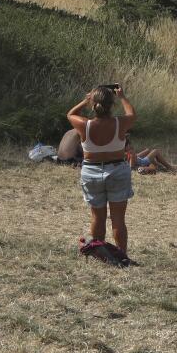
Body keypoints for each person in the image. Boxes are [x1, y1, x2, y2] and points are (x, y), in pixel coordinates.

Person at [66, 85, 138, 257]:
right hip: (117, 170)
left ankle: (100, 252)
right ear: (112, 105)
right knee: (118, 219)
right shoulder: (120, 123)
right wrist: (122, 97)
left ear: (94, 105)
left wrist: (85, 100)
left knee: (97, 217)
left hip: (91, 171)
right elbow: (132, 115)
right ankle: (121, 255)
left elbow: (70, 114)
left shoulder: (85, 125)